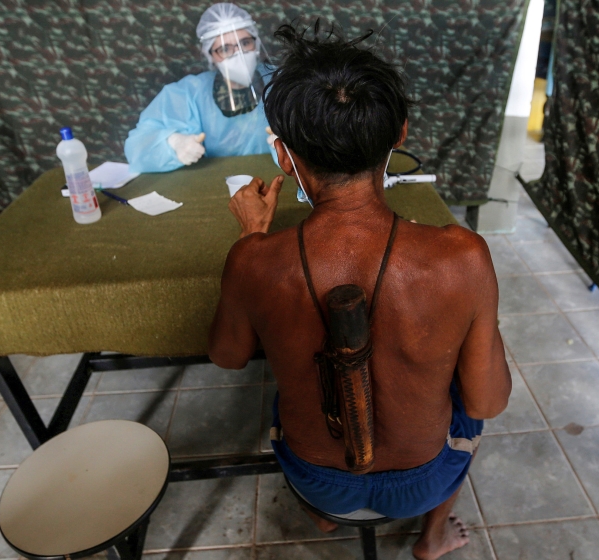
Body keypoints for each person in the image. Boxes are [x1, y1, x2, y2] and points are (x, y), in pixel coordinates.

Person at [208, 23, 511, 560]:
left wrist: (252, 241)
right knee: (468, 402)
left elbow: (228, 358)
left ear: (283, 156)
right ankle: (431, 537)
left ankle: (325, 521)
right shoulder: (463, 258)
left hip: (318, 481)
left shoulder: (253, 261)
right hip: (423, 484)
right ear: (401, 133)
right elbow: (489, 400)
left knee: (284, 392)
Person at [123, 3, 275, 173]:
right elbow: (137, 147)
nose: (238, 54)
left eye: (245, 43)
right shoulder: (190, 93)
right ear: (210, 55)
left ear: (256, 44)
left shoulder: (281, 83)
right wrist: (172, 144)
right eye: (225, 48)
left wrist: (292, 144)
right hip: (216, 181)